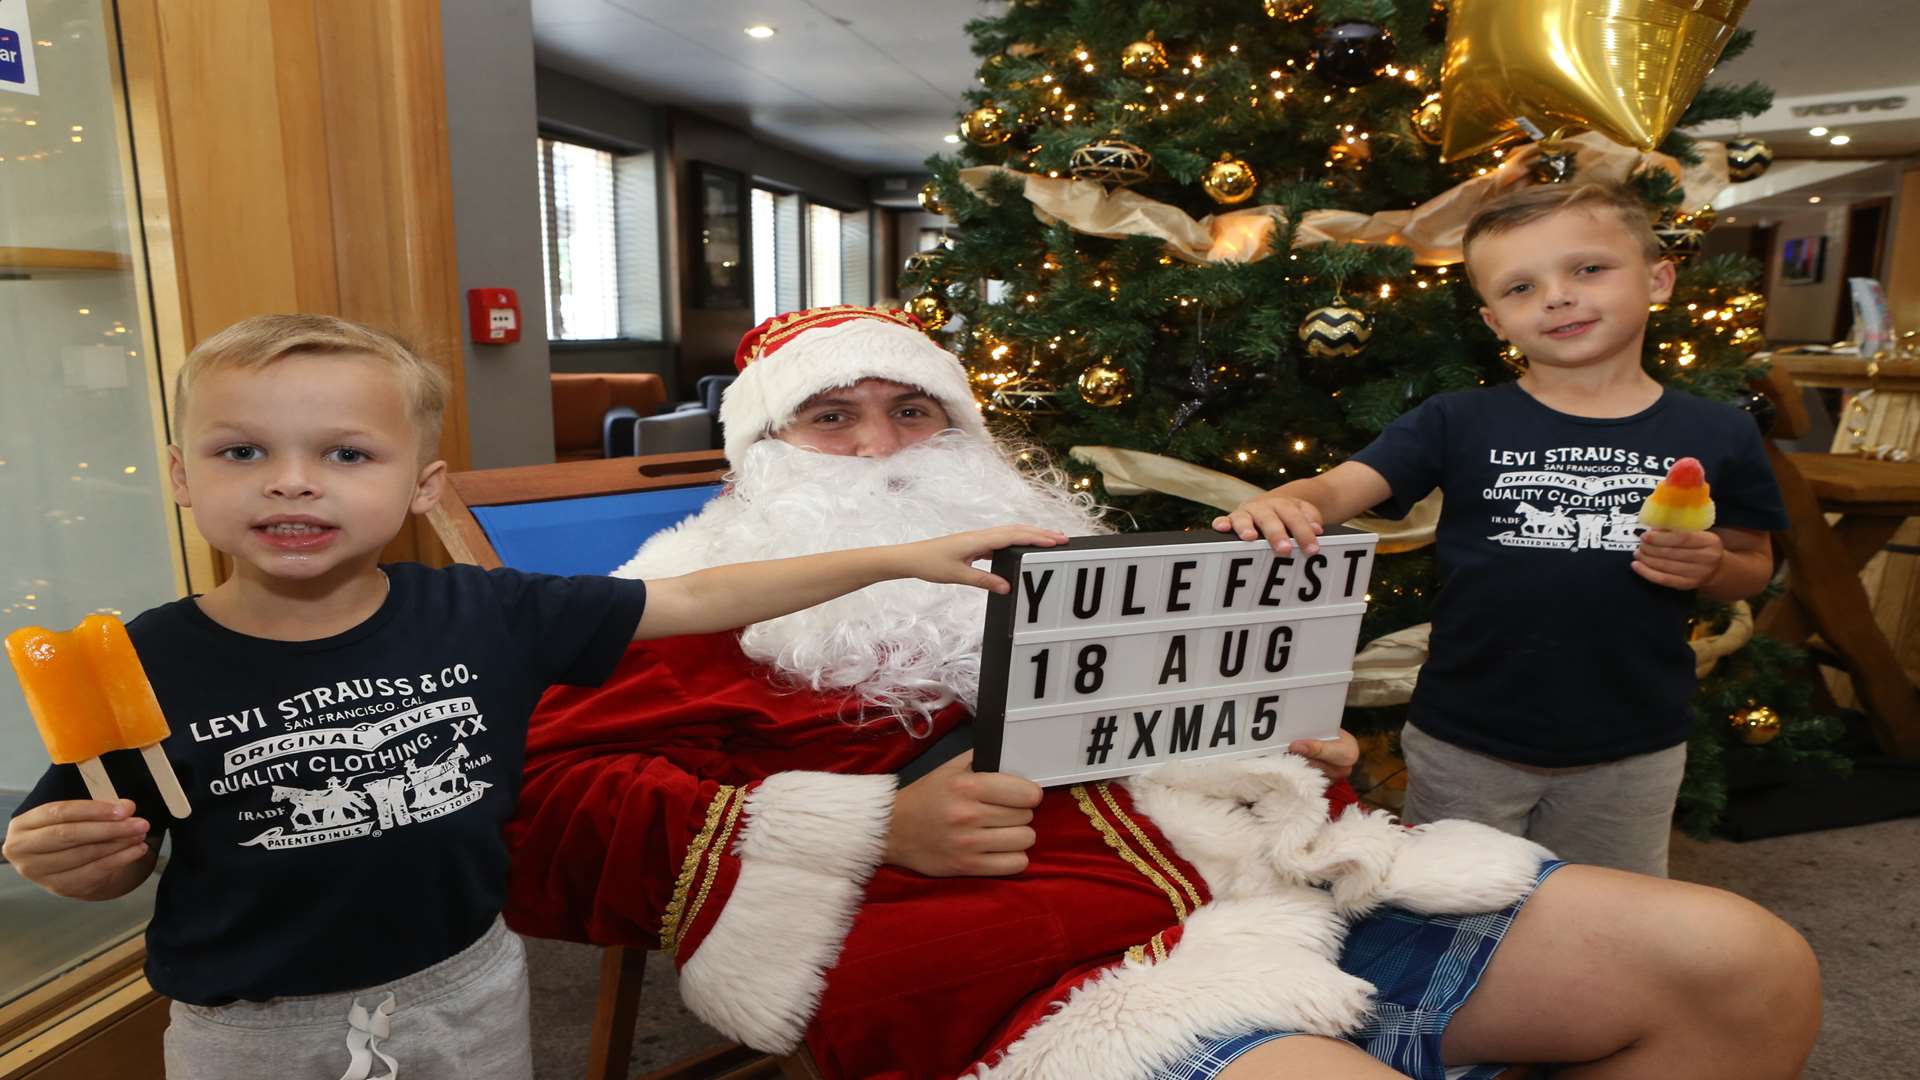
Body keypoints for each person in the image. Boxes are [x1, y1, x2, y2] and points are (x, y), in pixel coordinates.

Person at [506, 304, 1819, 1080]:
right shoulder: (687, 605)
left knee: (1740, 966)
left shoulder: (1077, 565)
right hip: (1041, 981)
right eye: (831, 419)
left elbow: (1200, 724)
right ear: (759, 455)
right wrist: (865, 828)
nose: (882, 449)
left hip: (1293, 881)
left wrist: (1284, 750)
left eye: (916, 415)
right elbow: (537, 818)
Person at [1, 313, 1065, 1080]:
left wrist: (891, 556)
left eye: (345, 453)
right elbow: (107, 841)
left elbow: (701, 592)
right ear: (185, 477)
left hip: (463, 990)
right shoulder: (146, 661)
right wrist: (80, 861)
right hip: (251, 1025)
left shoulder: (491, 611)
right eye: (244, 453)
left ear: (422, 484)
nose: (293, 480)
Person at [1218, 182, 1789, 879]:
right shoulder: (1458, 419)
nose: (1556, 296)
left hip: (1632, 744)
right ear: (1494, 323)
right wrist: (1289, 499)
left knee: (1610, 915)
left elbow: (1753, 561)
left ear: (1659, 279)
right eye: (1521, 287)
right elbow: (1342, 486)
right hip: (1466, 739)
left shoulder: (1719, 430)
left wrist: (1711, 567)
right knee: (1450, 905)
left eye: (1588, 269)